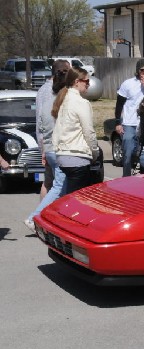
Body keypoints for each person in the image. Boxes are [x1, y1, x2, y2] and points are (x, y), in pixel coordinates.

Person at [23, 59, 71, 231]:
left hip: (47, 144)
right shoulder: (57, 90)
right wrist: (45, 147)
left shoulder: (42, 90)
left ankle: (45, 221)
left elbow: (39, 122)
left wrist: (42, 147)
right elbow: (50, 120)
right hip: (55, 144)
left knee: (49, 184)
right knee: (58, 185)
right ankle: (37, 218)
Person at [52, 66, 99, 194]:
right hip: (77, 157)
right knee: (76, 201)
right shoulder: (81, 102)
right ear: (77, 82)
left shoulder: (63, 99)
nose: (89, 85)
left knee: (65, 195)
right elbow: (88, 132)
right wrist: (94, 153)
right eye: (87, 81)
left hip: (63, 155)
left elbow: (57, 129)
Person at [115, 59, 144, 176]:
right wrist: (117, 122)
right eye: (142, 70)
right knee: (128, 152)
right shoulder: (128, 84)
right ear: (137, 71)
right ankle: (126, 176)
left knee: (142, 152)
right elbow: (119, 104)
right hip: (129, 122)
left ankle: (141, 176)